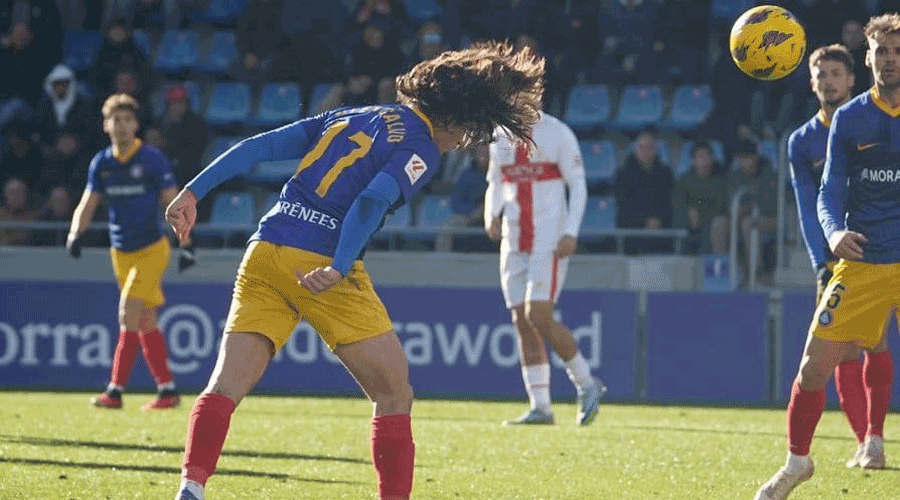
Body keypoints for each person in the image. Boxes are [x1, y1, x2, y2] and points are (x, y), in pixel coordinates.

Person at [164, 41, 545, 500]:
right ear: (457, 117)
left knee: (225, 384)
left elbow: (257, 147)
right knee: (395, 393)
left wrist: (193, 191)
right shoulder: (422, 146)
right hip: (321, 260)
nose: (464, 141)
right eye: (468, 130)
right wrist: (340, 265)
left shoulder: (349, 116)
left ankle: (191, 485)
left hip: (265, 249)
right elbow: (370, 201)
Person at [754, 15, 900, 500]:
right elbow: (829, 189)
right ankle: (797, 463)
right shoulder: (851, 119)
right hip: (862, 261)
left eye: (898, 51)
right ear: (868, 58)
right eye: (882, 51)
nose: (890, 59)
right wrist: (833, 232)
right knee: (812, 370)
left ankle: (872, 439)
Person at [787, 43, 894, 470]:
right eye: (821, 75)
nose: (828, 82)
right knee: (841, 353)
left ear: (852, 78)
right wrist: (821, 257)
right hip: (840, 255)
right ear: (811, 83)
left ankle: (874, 436)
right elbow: (809, 201)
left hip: (878, 246)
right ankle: (864, 441)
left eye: (835, 74)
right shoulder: (802, 141)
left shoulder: (866, 118)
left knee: (875, 342)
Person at [66, 94, 192, 412]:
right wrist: (75, 233)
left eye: (127, 120)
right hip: (120, 252)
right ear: (106, 126)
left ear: (136, 125)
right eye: (115, 120)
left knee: (127, 313)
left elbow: (172, 202)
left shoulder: (152, 159)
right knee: (146, 319)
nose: (121, 126)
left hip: (152, 249)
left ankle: (115, 390)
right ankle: (167, 390)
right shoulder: (102, 163)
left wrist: (186, 243)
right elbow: (88, 203)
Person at [484, 111, 604, 426]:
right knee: (521, 322)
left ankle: (586, 383)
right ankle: (541, 407)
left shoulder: (557, 132)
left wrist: (571, 232)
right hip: (513, 239)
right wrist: (491, 214)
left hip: (548, 240)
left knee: (537, 314)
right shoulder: (500, 136)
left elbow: (578, 184)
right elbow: (495, 181)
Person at [613, 128, 674, 254]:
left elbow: (669, 201)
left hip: (661, 226)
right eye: (642, 147)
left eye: (650, 148)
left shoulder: (666, 174)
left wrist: (657, 219)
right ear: (635, 149)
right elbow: (624, 205)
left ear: (655, 150)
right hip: (632, 229)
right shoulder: (622, 174)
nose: (646, 152)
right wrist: (644, 221)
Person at [729, 138, 778, 287]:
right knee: (726, 225)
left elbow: (771, 208)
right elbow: (730, 204)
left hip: (771, 220)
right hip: (742, 221)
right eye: (741, 159)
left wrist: (748, 208)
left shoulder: (769, 175)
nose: (744, 163)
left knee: (748, 224)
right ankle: (726, 275)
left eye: (747, 158)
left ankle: (757, 273)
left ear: (755, 157)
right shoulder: (734, 177)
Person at [672, 141, 728, 255]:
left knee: (717, 224)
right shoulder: (684, 180)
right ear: (693, 160)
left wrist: (700, 216)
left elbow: (722, 207)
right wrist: (689, 212)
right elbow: (677, 204)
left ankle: (717, 264)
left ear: (712, 158)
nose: (703, 161)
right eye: (700, 157)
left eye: (706, 156)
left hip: (712, 224)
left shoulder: (722, 179)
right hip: (689, 226)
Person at [0, 177, 36, 246]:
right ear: (6, 195)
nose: (15, 197)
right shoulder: (1, 215)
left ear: (25, 195)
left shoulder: (33, 218)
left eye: (18, 193)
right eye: (12, 193)